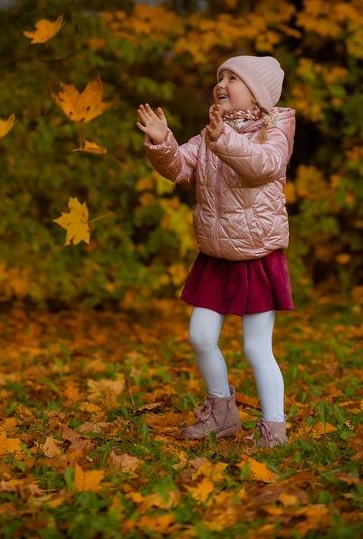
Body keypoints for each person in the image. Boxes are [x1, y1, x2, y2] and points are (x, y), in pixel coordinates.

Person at [136, 54, 296, 449]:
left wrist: (222, 138)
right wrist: (162, 143)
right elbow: (180, 168)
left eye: (232, 78)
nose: (221, 83)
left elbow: (263, 165)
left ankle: (274, 428)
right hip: (216, 255)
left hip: (258, 254)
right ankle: (222, 412)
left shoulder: (274, 129)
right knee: (201, 336)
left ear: (256, 93)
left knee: (256, 348)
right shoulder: (210, 134)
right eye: (219, 76)